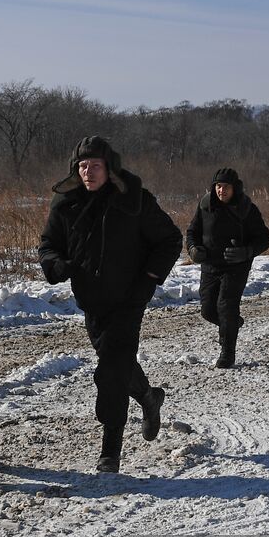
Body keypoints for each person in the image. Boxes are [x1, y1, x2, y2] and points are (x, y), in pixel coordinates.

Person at [38, 136, 183, 473]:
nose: (88, 171)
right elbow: (48, 245)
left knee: (110, 373)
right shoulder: (66, 203)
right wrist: (56, 265)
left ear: (110, 167)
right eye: (83, 165)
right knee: (117, 362)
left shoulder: (133, 199)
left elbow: (169, 239)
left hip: (129, 299)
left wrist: (148, 279)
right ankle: (149, 397)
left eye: (96, 165)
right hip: (92, 300)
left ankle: (110, 451)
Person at [185, 167, 269, 368]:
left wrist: (246, 252)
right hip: (210, 266)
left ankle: (227, 354)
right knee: (208, 311)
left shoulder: (246, 209)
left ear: (235, 188)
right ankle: (231, 323)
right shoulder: (205, 205)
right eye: (218, 186)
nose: (221, 190)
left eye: (225, 187)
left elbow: (264, 239)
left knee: (226, 307)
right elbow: (192, 231)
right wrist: (192, 249)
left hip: (236, 267)